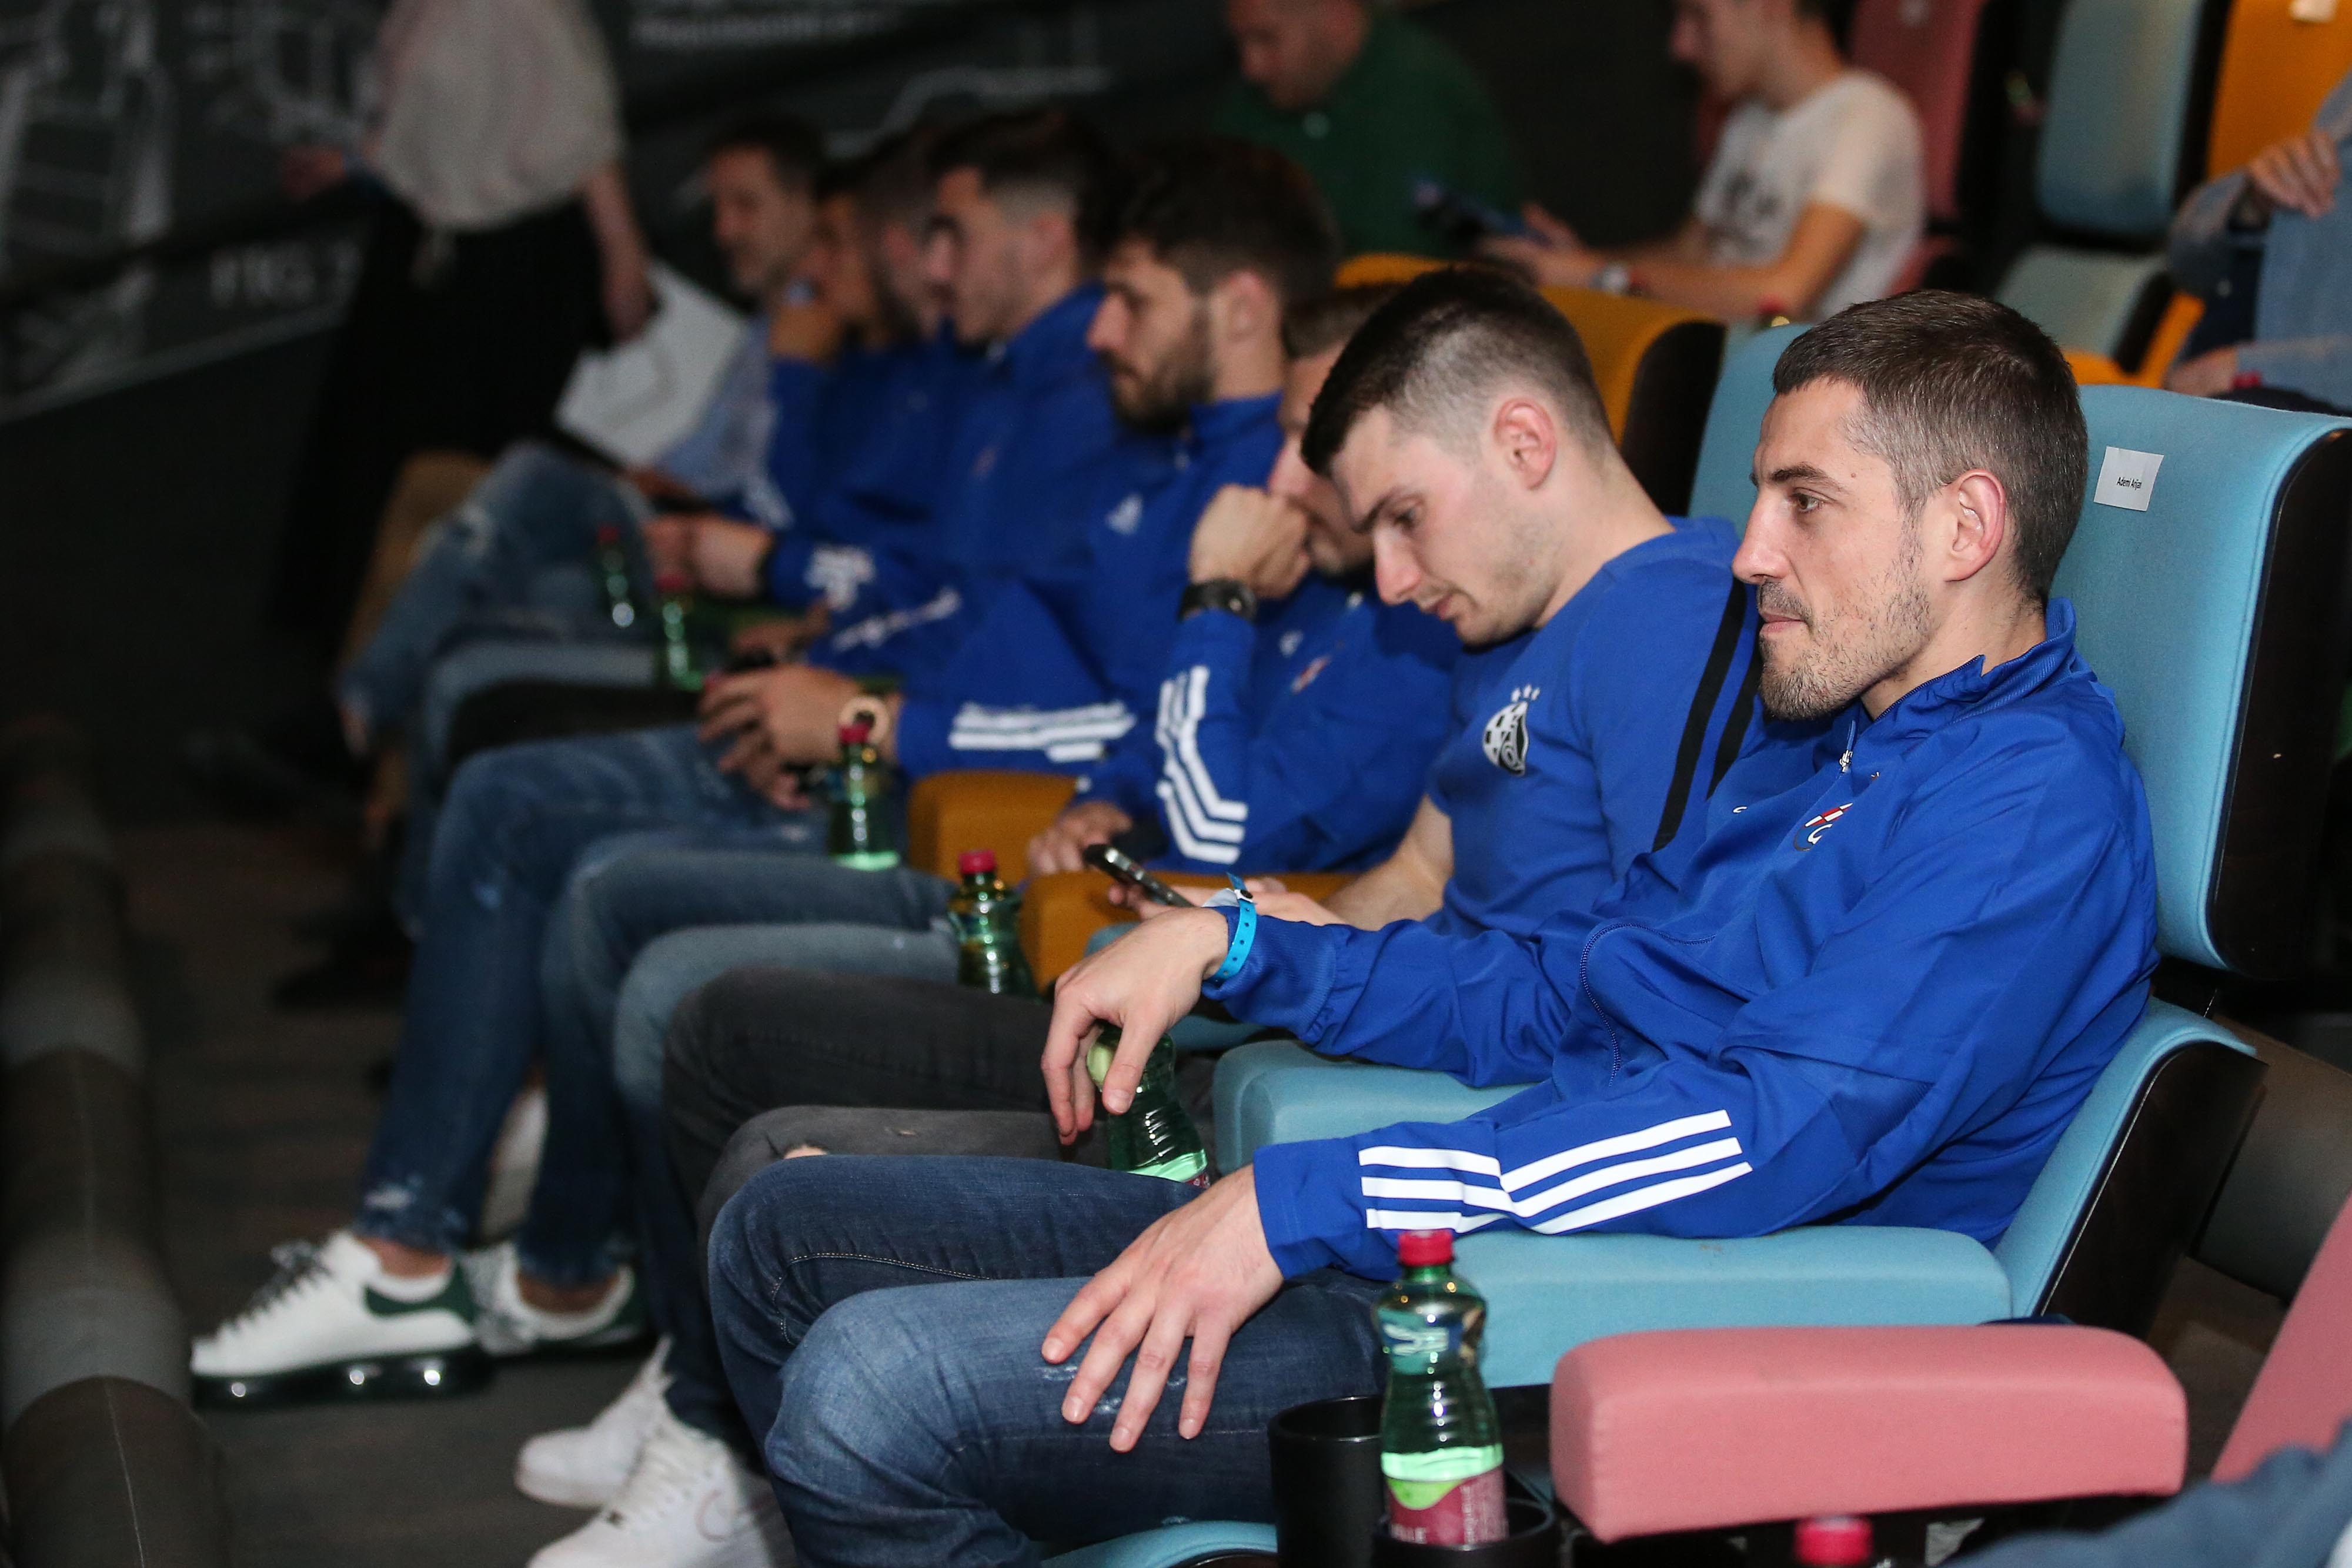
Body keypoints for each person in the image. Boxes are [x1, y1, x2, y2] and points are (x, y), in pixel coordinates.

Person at [704, 291, 2156, 1564]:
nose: (1749, 552)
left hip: (1573, 1323)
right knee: (780, 1236)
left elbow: (1761, 1136)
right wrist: (1249, 949)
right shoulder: (1829, 738)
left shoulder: (2026, 802)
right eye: (1758, 497)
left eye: (1804, 502)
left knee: (868, 1396)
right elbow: (1570, 985)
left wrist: (1314, 1196)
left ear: (1964, 528)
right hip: (1481, 1234)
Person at [570, 265, 1779, 1557]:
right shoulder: (1509, 631)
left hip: (1410, 1178)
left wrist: (1269, 950)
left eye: (1404, 517)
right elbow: (1415, 891)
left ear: (1525, 443)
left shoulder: (1671, 618)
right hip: (1350, 1090)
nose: (1386, 576)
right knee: (775, 1196)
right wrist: (1259, 922)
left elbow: (1628, 1004)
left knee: (816, 1269)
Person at [268, 0, 652, 656]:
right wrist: (357, 163)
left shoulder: (529, 11)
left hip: (515, 267)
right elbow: (436, 118)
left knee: (478, 459)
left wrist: (623, 259)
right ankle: (383, 637)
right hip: (433, 253)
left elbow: (584, 134)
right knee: (398, 450)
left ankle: (464, 640)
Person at [1486, 0, 1922, 322]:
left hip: (1793, 379)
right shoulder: (1749, 118)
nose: (1680, 46)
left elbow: (1785, 295)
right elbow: (1691, 254)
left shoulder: (1869, 116)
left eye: (1699, 16)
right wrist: (1577, 262)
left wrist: (1603, 275)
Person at [1212, 0, 1522, 256]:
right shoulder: (1252, 101)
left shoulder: (1416, 85)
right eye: (1240, 44)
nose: (1251, 67)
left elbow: (1396, 258)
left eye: (1266, 38)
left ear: (1336, 14)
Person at [2164, 69, 2352, 415]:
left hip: (2283, 414)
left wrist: (2249, 371)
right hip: (2198, 401)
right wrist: (2250, 205)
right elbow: (2182, 263)